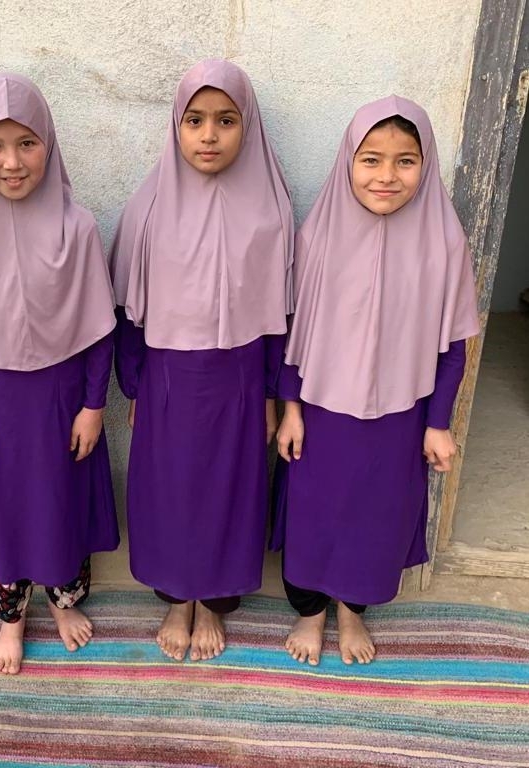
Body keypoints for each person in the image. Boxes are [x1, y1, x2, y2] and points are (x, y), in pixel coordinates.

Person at [273, 95, 480, 666]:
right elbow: (293, 333)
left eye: (405, 160)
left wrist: (438, 423)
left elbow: (453, 345)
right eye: (371, 159)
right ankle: (311, 613)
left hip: (400, 418)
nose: (387, 175)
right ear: (348, 161)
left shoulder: (444, 243)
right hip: (322, 414)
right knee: (315, 513)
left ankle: (352, 611)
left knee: (377, 517)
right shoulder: (318, 239)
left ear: (425, 164)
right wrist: (291, 409)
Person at [0, 72, 119, 675]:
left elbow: (99, 330)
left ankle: (64, 602)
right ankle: (11, 618)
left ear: (49, 143)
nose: (12, 162)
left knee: (63, 504)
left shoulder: (78, 228)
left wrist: (94, 405)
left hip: (63, 404)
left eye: (27, 143)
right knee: (5, 511)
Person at [110, 59, 293, 662]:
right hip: (168, 379)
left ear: (248, 126)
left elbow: (280, 317)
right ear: (176, 125)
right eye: (194, 120)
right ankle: (176, 597)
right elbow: (128, 313)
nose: (208, 135)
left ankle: (213, 601)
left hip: (240, 382)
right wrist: (135, 386)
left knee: (228, 491)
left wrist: (271, 395)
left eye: (225, 120)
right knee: (170, 489)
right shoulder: (149, 209)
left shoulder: (270, 212)